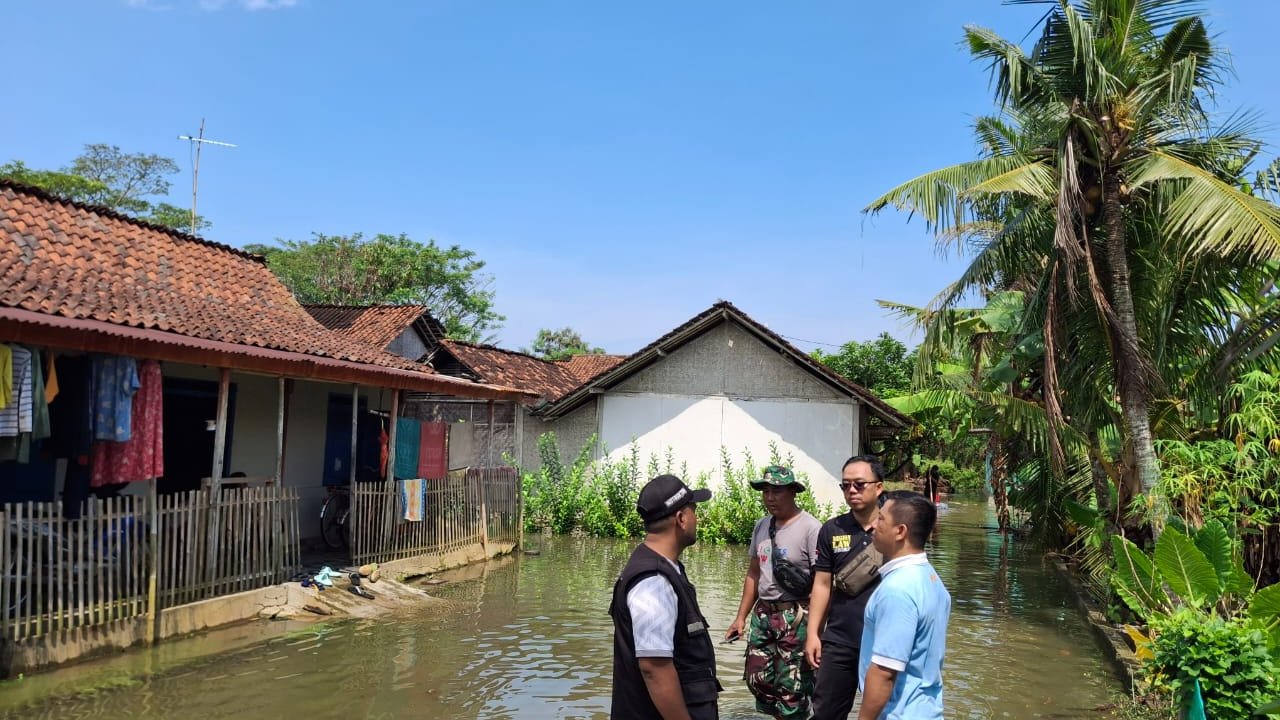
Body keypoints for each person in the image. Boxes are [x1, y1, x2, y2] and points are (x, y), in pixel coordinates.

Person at [610, 474, 722, 720]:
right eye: (694, 511)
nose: (697, 519)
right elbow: (654, 668)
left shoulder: (667, 569)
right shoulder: (653, 582)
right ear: (681, 519)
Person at [724, 465, 822, 719]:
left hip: (796, 615)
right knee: (757, 679)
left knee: (792, 687)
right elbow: (753, 574)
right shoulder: (761, 526)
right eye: (765, 491)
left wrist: (816, 629)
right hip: (764, 614)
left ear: (793, 492)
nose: (769, 497)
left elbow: (823, 582)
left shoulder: (811, 528)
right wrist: (740, 618)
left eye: (776, 491)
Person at [804, 455, 886, 719]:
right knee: (825, 711)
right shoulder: (832, 529)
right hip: (840, 639)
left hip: (885, 641)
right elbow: (822, 584)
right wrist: (813, 634)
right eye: (845, 485)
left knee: (886, 711)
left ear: (879, 487)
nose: (851, 490)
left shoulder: (894, 528)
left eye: (859, 484)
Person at [858, 491, 951, 720]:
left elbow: (884, 672)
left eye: (881, 519)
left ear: (900, 531)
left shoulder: (897, 590)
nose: (873, 525)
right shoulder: (931, 578)